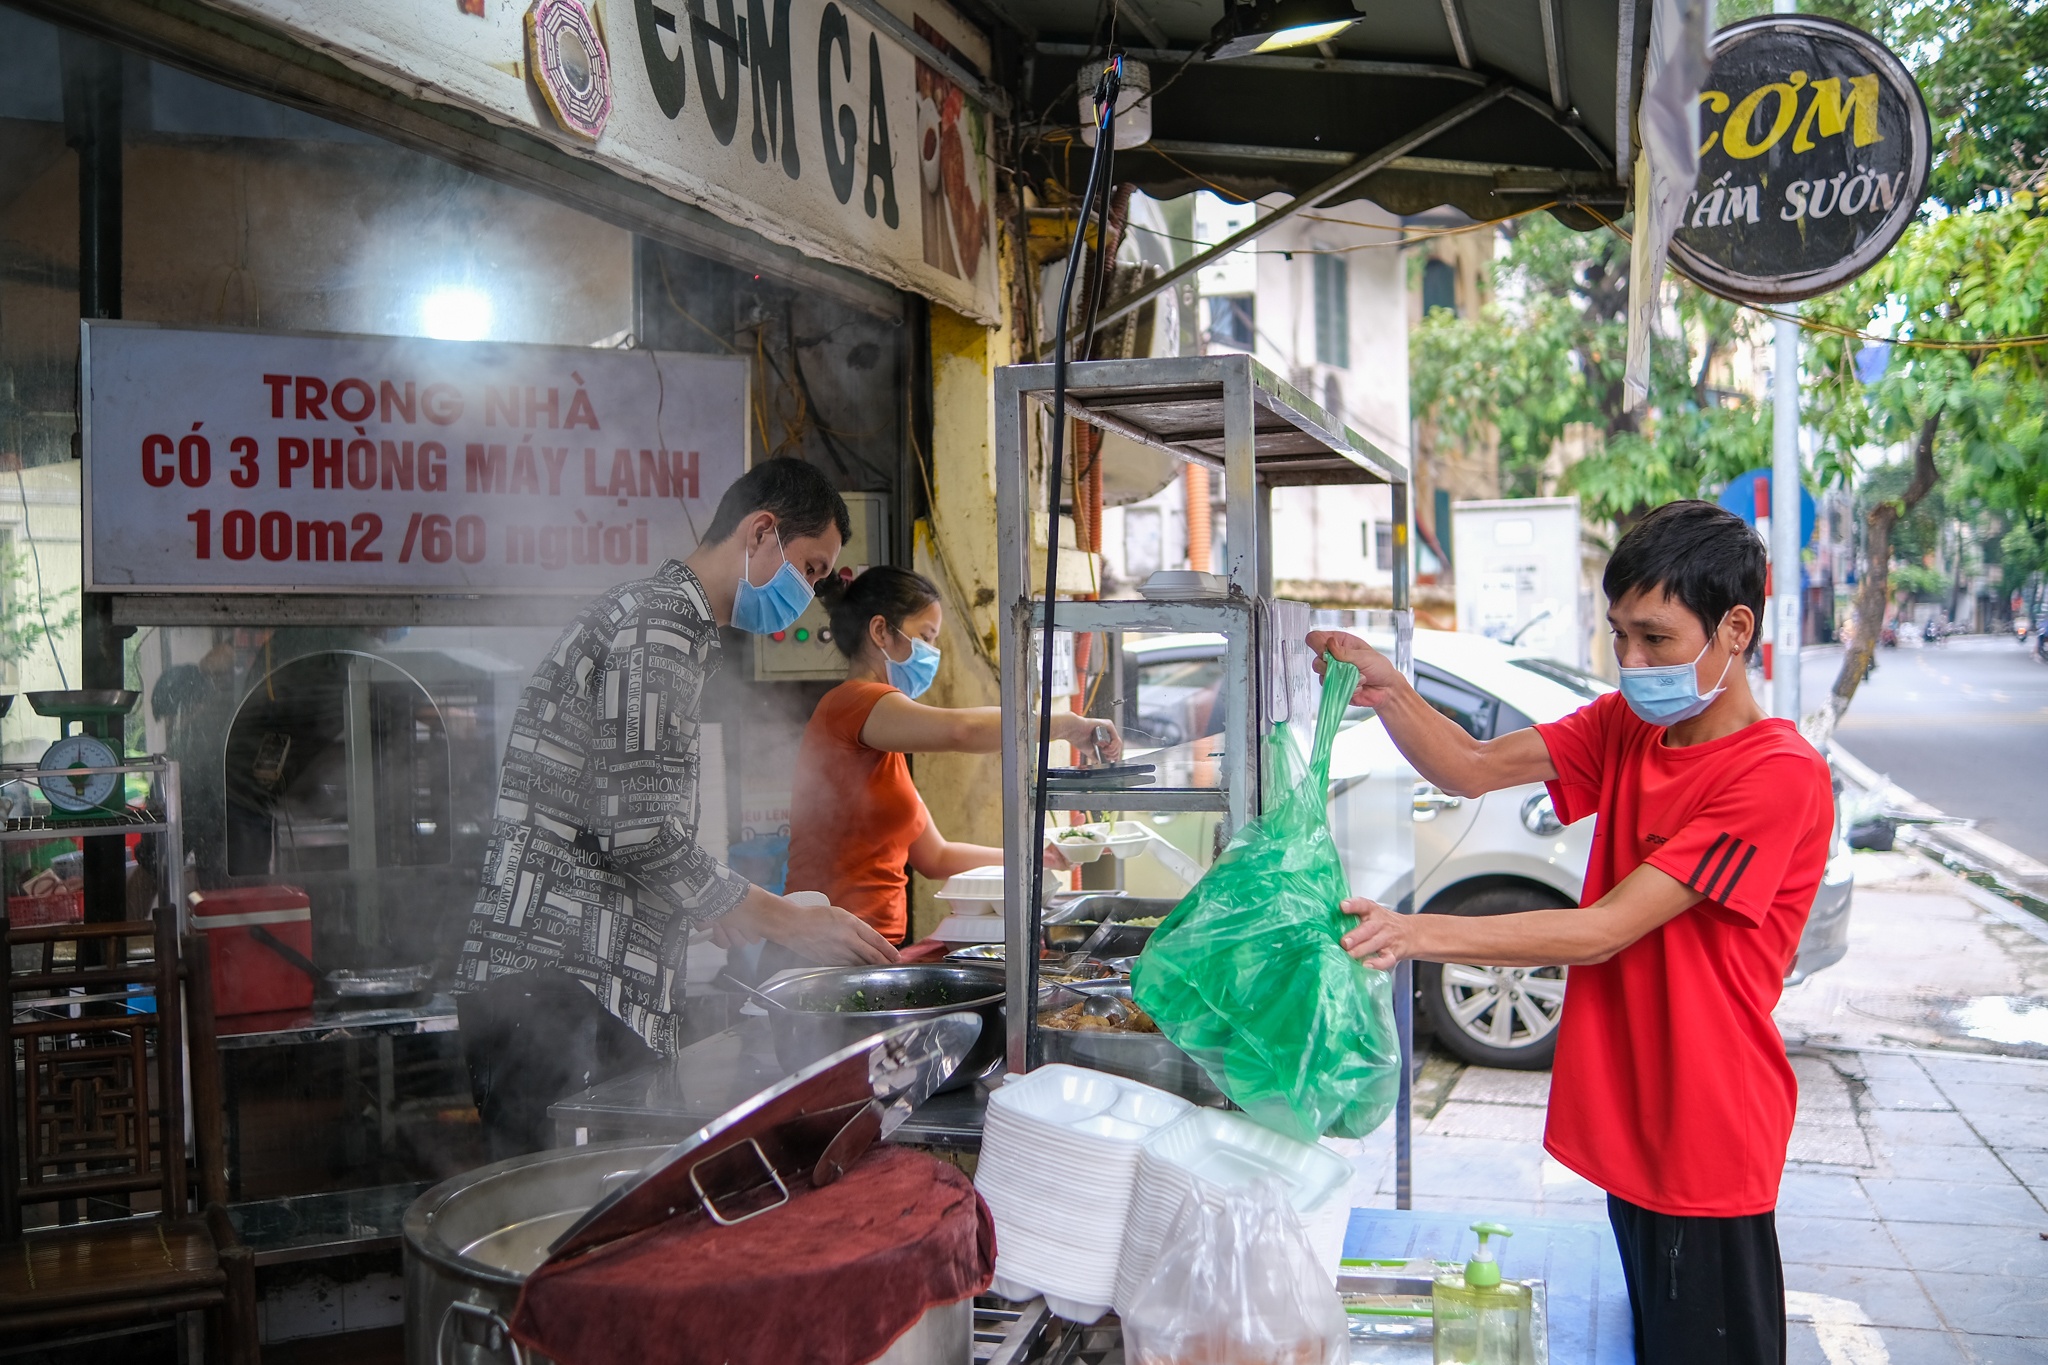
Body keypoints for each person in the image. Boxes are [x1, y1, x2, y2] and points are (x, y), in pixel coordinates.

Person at [1310, 500, 1831, 1365]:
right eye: (1618, 634)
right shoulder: (1631, 725)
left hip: (1706, 1128)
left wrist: (1413, 931)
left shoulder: (1775, 773)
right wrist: (1392, 690)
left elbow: (1602, 931)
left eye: (1655, 638)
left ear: (1735, 628)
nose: (1631, 661)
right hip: (1636, 1110)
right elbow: (1471, 767)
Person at [454, 458, 899, 1156]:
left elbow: (622, 823)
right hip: (562, 982)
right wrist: (791, 921)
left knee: (587, 1219)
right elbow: (641, 833)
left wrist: (715, 905)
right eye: (811, 569)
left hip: (577, 981)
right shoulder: (658, 625)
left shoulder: (666, 625)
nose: (809, 595)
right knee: (556, 1224)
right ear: (762, 533)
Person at [784, 566, 1119, 944]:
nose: (933, 653)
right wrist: (1064, 725)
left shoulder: (881, 743)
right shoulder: (853, 703)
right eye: (925, 637)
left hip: (872, 946)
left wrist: (1040, 854)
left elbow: (936, 857)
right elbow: (963, 731)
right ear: (880, 631)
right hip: (820, 947)